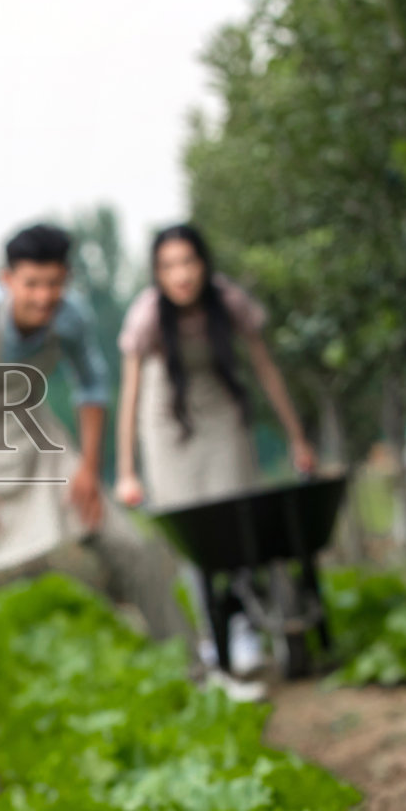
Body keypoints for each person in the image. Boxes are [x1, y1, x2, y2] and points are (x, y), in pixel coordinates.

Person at [0, 224, 194, 805]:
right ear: (6, 280)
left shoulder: (73, 314)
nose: (43, 298)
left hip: (33, 440)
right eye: (31, 285)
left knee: (131, 546)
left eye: (55, 285)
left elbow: (92, 382)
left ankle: (195, 680)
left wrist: (86, 466)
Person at [114, 223, 315, 678]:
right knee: (196, 540)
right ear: (157, 273)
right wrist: (128, 470)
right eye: (169, 266)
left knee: (241, 529)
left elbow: (265, 368)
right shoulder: (147, 315)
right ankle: (221, 634)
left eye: (189, 262)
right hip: (167, 423)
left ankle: (259, 624)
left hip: (222, 414)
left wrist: (298, 438)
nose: (181, 274)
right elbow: (129, 393)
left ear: (204, 264)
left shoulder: (228, 301)